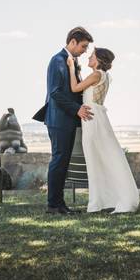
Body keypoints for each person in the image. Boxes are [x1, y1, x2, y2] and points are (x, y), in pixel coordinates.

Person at [68, 47, 139, 213]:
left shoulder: (96, 74)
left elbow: (74, 88)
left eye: (91, 56)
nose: (88, 58)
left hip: (92, 120)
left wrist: (71, 67)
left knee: (94, 161)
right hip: (97, 118)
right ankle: (102, 201)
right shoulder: (105, 76)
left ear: (98, 59)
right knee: (104, 158)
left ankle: (97, 203)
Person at [44, 26, 94, 215]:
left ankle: (59, 203)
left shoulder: (71, 61)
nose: (84, 51)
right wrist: (77, 109)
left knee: (63, 161)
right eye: (83, 46)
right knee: (59, 160)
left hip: (67, 120)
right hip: (58, 120)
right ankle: (53, 205)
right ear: (72, 41)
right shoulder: (57, 60)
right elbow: (55, 92)